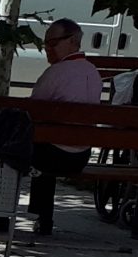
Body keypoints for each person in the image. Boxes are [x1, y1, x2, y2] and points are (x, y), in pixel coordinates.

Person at [23, 18, 101, 232]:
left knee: (12, 151)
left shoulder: (55, 73)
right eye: (45, 43)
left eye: (53, 42)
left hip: (52, 155)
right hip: (81, 155)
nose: (47, 48)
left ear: (73, 41)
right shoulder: (93, 73)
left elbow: (31, 111)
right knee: (43, 149)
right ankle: (42, 218)